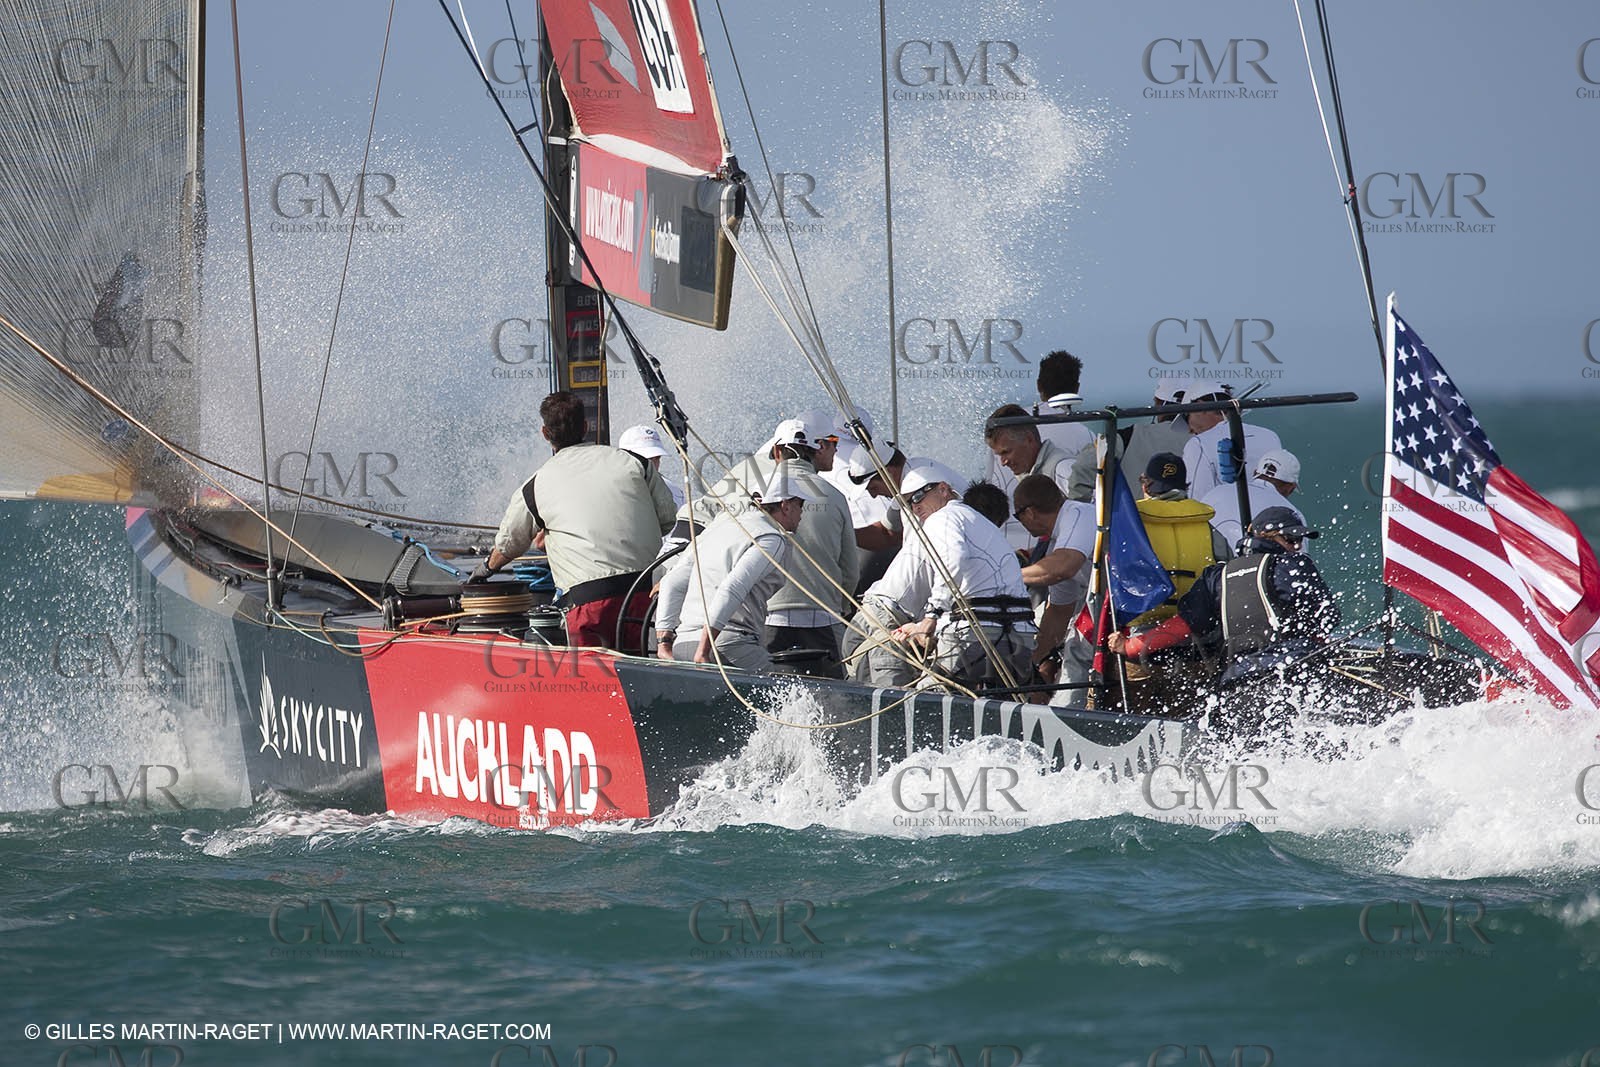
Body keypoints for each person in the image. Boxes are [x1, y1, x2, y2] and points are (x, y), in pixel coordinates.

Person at [477, 391, 676, 650]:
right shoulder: (636, 462)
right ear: (586, 427)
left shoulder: (534, 486)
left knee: (593, 682)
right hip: (643, 596)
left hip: (587, 605)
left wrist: (484, 571)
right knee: (640, 673)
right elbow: (669, 519)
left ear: (545, 433)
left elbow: (509, 545)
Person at [1106, 506, 1340, 686]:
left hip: (1237, 680)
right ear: (1264, 536)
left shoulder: (1216, 577)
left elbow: (1181, 627)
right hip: (1293, 670)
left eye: (1299, 541)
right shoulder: (1294, 565)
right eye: (1290, 539)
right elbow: (1328, 617)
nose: (1296, 546)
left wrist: (1130, 647)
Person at [887, 460, 1036, 688]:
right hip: (1019, 636)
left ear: (943, 489)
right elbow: (979, 587)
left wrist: (930, 619)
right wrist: (920, 625)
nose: (915, 508)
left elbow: (953, 560)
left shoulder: (942, 517)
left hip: (978, 636)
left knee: (926, 697)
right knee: (1004, 706)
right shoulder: (981, 523)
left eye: (917, 497)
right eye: (908, 504)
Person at [655, 470, 816, 671]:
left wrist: (664, 645)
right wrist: (703, 650)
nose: (802, 514)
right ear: (786, 506)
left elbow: (673, 581)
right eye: (801, 505)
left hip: (683, 644)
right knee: (794, 691)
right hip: (723, 645)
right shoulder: (772, 538)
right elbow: (733, 587)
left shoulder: (721, 525)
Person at [760, 422, 860, 677]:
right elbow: (850, 569)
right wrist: (840, 606)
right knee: (836, 701)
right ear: (815, 451)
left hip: (770, 618)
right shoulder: (835, 495)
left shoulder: (758, 494)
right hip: (823, 617)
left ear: (777, 452)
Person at [1009, 474, 1096, 689]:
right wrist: (1033, 663)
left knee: (1076, 651)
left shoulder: (1078, 513)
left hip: (1133, 604)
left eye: (1017, 517)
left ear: (1028, 513)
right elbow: (1058, 612)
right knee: (1071, 649)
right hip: (1108, 606)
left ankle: (1071, 714)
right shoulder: (1058, 545)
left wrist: (1007, 576)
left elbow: (1063, 567)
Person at [1132, 453, 1231, 630]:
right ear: (1184, 486)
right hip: (1196, 628)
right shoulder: (1209, 529)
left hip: (1141, 628)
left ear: (1146, 485)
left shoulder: (1131, 525)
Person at [984, 351, 1096, 506]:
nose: (1003, 461)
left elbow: (990, 482)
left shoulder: (1003, 426)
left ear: (1038, 385)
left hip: (1005, 525)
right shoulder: (1084, 434)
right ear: (1076, 388)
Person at [1068, 377, 1194, 503]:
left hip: (1135, 520)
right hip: (1195, 518)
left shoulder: (1127, 437)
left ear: (1158, 403)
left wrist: (1083, 508)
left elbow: (1082, 468)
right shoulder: (1203, 441)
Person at [985, 402, 1079, 551]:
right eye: (998, 455)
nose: (1003, 462)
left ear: (1029, 439)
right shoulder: (1039, 474)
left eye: (1006, 452)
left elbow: (1093, 520)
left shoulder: (1063, 470)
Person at [1179, 380, 1283, 501]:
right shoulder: (1270, 436)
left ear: (1199, 407)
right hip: (1271, 516)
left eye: (1187, 418)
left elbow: (1197, 500)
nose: (1190, 430)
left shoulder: (1197, 444)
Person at [1200, 447, 1304, 551]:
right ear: (1291, 487)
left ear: (1255, 473)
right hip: (1247, 564)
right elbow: (1299, 556)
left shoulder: (1216, 492)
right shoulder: (1291, 514)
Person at [618, 424, 685, 508]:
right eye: (645, 459)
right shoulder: (612, 490)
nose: (652, 465)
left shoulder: (674, 493)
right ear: (625, 457)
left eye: (657, 458)